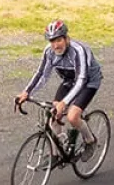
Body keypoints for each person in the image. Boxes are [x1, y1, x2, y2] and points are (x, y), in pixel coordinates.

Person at [14, 19, 102, 152]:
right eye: (52, 41)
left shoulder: (78, 51)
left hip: (88, 81)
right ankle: (57, 153)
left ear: (67, 38)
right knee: (54, 116)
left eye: (58, 40)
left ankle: (90, 141)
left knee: (72, 116)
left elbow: (81, 80)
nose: (55, 45)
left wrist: (64, 102)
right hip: (69, 80)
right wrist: (27, 92)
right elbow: (42, 74)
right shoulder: (49, 52)